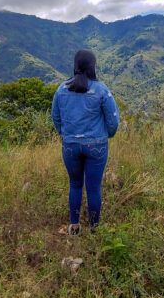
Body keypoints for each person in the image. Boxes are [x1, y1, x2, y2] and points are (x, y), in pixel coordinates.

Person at [51, 49, 119, 235]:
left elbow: (56, 118)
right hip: (96, 145)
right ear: (92, 66)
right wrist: (107, 136)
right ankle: (94, 229)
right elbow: (113, 122)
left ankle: (74, 227)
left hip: (70, 145)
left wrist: (66, 135)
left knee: (74, 185)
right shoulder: (102, 90)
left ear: (75, 66)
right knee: (94, 188)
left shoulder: (61, 89)